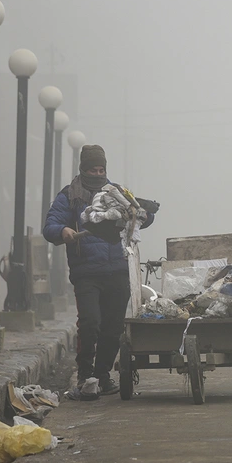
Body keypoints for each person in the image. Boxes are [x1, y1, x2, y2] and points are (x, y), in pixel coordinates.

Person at [43, 145, 154, 399]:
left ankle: (102, 375)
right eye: (93, 169)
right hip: (87, 272)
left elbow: (139, 215)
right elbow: (50, 225)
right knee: (91, 322)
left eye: (101, 169)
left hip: (118, 269)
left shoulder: (116, 194)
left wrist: (143, 216)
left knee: (112, 327)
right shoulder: (69, 196)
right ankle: (85, 375)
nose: (98, 173)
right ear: (83, 169)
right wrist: (63, 232)